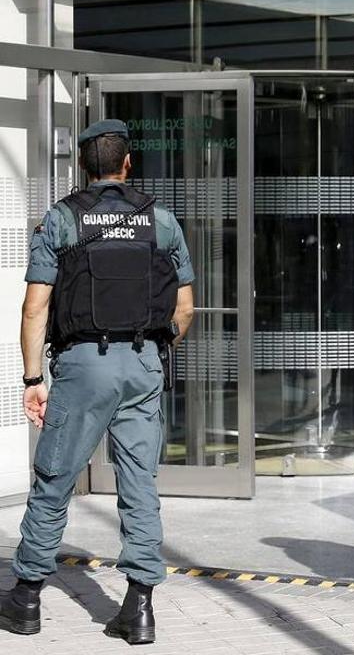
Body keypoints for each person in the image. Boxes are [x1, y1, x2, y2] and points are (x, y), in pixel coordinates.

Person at [0, 119, 195, 645]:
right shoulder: (161, 219)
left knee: (55, 478)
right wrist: (154, 349)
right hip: (144, 363)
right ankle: (139, 607)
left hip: (83, 364)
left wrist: (32, 377)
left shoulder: (62, 219)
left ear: (83, 166)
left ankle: (25, 599)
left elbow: (34, 307)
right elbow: (185, 306)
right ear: (127, 162)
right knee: (138, 484)